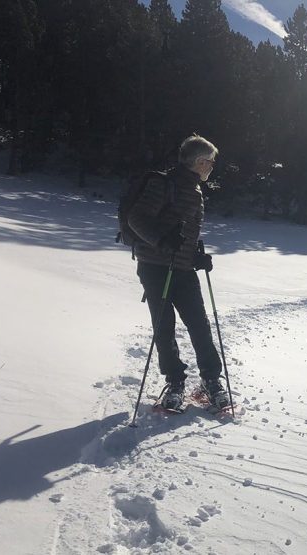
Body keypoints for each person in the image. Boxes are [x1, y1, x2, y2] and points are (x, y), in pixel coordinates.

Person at [127, 134, 229, 411]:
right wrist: (161, 240)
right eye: (210, 162)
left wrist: (195, 255)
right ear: (199, 161)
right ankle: (175, 382)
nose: (211, 167)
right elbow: (136, 219)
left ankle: (211, 380)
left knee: (199, 323)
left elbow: (184, 232)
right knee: (164, 326)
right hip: (155, 266)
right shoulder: (164, 184)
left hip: (182, 268)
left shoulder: (194, 191)